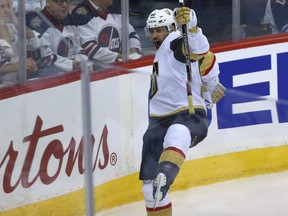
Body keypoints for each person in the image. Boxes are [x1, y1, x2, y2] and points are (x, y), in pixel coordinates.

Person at [139, 7, 225, 215]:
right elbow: (204, 61)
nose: (154, 35)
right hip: (157, 121)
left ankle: (166, 174)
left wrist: (192, 26)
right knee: (149, 190)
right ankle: (162, 179)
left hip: (186, 114)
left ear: (172, 28)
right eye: (151, 31)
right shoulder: (163, 50)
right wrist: (208, 89)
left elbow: (198, 49)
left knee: (176, 135)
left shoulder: (176, 41)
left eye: (159, 30)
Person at [26, 0, 86, 78]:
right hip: (46, 80)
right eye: (60, 2)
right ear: (48, 3)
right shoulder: (37, 23)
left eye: (67, 1)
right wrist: (71, 64)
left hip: (73, 77)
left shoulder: (69, 20)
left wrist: (80, 61)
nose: (65, 5)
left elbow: (78, 48)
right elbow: (45, 59)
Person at [71, 0, 142, 63]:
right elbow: (89, 47)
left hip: (121, 67)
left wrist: (133, 50)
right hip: (96, 73)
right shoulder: (81, 15)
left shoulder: (114, 7)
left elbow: (131, 33)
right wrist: (120, 57)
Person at [0, 0, 38, 86]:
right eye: (2, 7)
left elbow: (35, 43)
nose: (7, 10)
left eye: (9, 7)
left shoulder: (11, 27)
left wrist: (14, 19)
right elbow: (8, 51)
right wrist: (15, 67)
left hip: (18, 83)